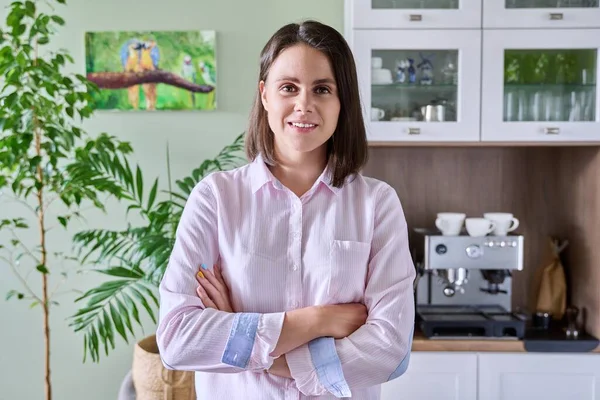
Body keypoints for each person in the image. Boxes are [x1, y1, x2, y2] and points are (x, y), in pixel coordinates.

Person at [156, 19, 416, 400]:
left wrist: (243, 337)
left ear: (342, 101)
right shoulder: (215, 198)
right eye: (288, 88)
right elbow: (178, 340)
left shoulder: (377, 204)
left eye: (322, 89)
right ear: (265, 95)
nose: (304, 105)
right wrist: (315, 321)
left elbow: (390, 352)